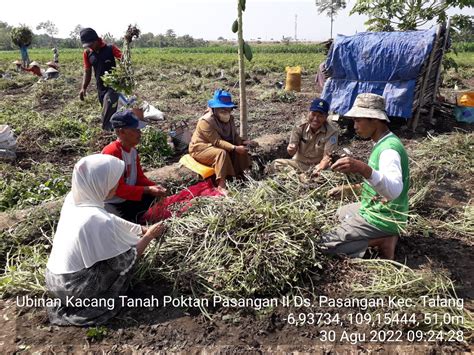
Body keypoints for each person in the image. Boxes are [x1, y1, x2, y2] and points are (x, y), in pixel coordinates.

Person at [45, 154, 165, 325]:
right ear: (101, 181)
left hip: (53, 279)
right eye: (114, 180)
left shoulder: (74, 198)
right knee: (121, 269)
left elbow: (110, 218)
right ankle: (94, 303)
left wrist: (140, 229)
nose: (117, 185)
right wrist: (149, 236)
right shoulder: (96, 219)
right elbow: (126, 259)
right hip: (72, 289)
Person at [321, 93, 410, 260]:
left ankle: (382, 240)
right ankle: (382, 235)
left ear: (375, 120)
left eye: (358, 120)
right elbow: (378, 183)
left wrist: (362, 168)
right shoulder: (381, 142)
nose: (354, 126)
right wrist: (347, 189)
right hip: (380, 209)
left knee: (323, 245)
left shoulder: (389, 150)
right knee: (341, 213)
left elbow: (394, 190)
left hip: (383, 217)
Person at [102, 110, 167, 223]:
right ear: (121, 132)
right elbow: (118, 189)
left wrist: (155, 186)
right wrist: (147, 189)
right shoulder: (112, 153)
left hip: (127, 198)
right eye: (135, 130)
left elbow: (139, 178)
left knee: (155, 201)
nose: (139, 133)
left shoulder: (132, 151)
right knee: (124, 225)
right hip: (112, 202)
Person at [188, 89, 258, 194]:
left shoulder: (230, 119)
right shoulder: (205, 121)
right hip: (201, 148)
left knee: (240, 147)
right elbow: (217, 141)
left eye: (228, 109)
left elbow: (234, 136)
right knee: (221, 153)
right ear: (214, 109)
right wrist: (234, 148)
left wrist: (244, 142)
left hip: (219, 145)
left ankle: (243, 174)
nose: (226, 112)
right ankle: (221, 185)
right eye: (222, 110)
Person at [269, 98, 338, 176]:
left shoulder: (331, 132)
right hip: (298, 164)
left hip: (317, 166)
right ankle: (299, 177)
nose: (315, 119)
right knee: (276, 164)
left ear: (326, 117)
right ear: (309, 113)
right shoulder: (300, 126)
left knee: (332, 172)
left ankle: (298, 177)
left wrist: (318, 169)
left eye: (320, 116)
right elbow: (291, 152)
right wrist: (291, 148)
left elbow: (327, 157)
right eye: (313, 114)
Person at [79, 27, 122, 130]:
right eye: (87, 46)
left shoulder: (110, 48)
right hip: (100, 87)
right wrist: (83, 88)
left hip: (113, 86)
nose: (90, 47)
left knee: (109, 107)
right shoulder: (87, 53)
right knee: (106, 109)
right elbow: (87, 71)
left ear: (97, 40)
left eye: (91, 44)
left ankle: (107, 131)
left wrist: (123, 75)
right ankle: (113, 132)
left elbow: (124, 60)